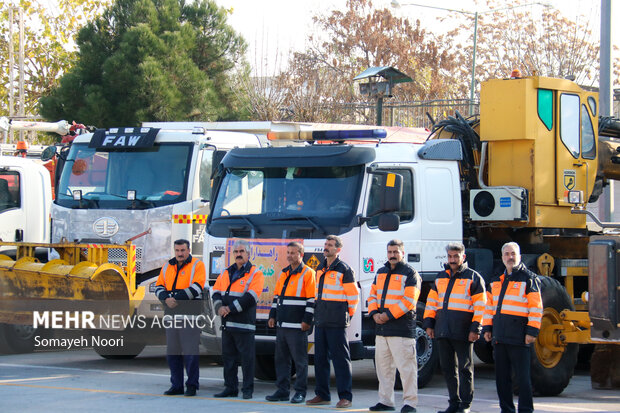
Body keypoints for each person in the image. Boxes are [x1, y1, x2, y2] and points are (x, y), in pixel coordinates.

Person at [423, 242, 487, 413]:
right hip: (443, 330)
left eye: (456, 256)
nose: (452, 259)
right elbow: (431, 303)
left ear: (463, 257)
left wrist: (475, 329)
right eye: (450, 256)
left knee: (465, 369)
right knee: (448, 369)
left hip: (463, 332)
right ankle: (453, 403)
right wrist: (429, 324)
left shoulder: (473, 278)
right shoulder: (440, 277)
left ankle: (465, 405)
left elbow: (481, 306)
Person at [483, 242, 543, 413]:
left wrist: (532, 331)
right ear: (502, 258)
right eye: (507, 254)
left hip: (520, 337)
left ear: (519, 256)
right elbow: (489, 307)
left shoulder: (529, 279)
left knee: (523, 379)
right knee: (502, 379)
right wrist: (487, 328)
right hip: (500, 337)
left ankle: (525, 410)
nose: (510, 257)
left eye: (513, 254)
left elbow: (536, 308)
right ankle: (506, 410)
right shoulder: (496, 281)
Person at [367, 239, 422, 413]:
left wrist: (387, 315)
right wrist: (374, 314)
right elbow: (372, 296)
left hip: (401, 330)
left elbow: (409, 301)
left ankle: (410, 403)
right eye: (390, 252)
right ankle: (385, 401)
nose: (392, 255)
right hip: (382, 330)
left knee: (407, 369)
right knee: (384, 369)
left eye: (396, 252)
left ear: (402, 253)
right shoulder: (381, 272)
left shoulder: (411, 273)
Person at [306, 235, 359, 409]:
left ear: (338, 249)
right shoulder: (320, 269)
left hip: (336, 322)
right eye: (326, 244)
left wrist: (345, 316)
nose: (326, 247)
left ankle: (345, 397)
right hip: (321, 321)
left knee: (341, 360)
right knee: (320, 359)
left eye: (330, 245)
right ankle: (322, 395)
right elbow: (316, 296)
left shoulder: (344, 269)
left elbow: (353, 297)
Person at [212, 240, 265, 400]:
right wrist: (219, 307)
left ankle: (247, 390)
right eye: (236, 252)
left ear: (248, 254)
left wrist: (229, 309)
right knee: (228, 359)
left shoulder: (256, 273)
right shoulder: (226, 272)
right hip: (227, 325)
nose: (238, 254)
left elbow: (251, 297)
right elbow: (216, 292)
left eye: (242, 251)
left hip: (244, 325)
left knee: (247, 360)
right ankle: (230, 388)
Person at [265, 241, 316, 404]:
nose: (289, 256)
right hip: (282, 326)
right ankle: (282, 391)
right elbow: (277, 297)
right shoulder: (283, 273)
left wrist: (307, 321)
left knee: (300, 361)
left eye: (293, 253)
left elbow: (311, 300)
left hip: (298, 326)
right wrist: (272, 316)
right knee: (281, 360)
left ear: (301, 255)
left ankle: (300, 392)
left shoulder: (309, 273)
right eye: (288, 252)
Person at [154, 239, 206, 397]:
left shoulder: (198, 265)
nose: (180, 253)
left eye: (183, 250)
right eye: (177, 250)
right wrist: (165, 299)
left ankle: (192, 385)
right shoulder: (167, 266)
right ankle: (176, 385)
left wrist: (174, 298)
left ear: (188, 250)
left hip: (189, 317)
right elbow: (158, 287)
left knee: (191, 353)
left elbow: (197, 287)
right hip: (171, 317)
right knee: (172, 353)